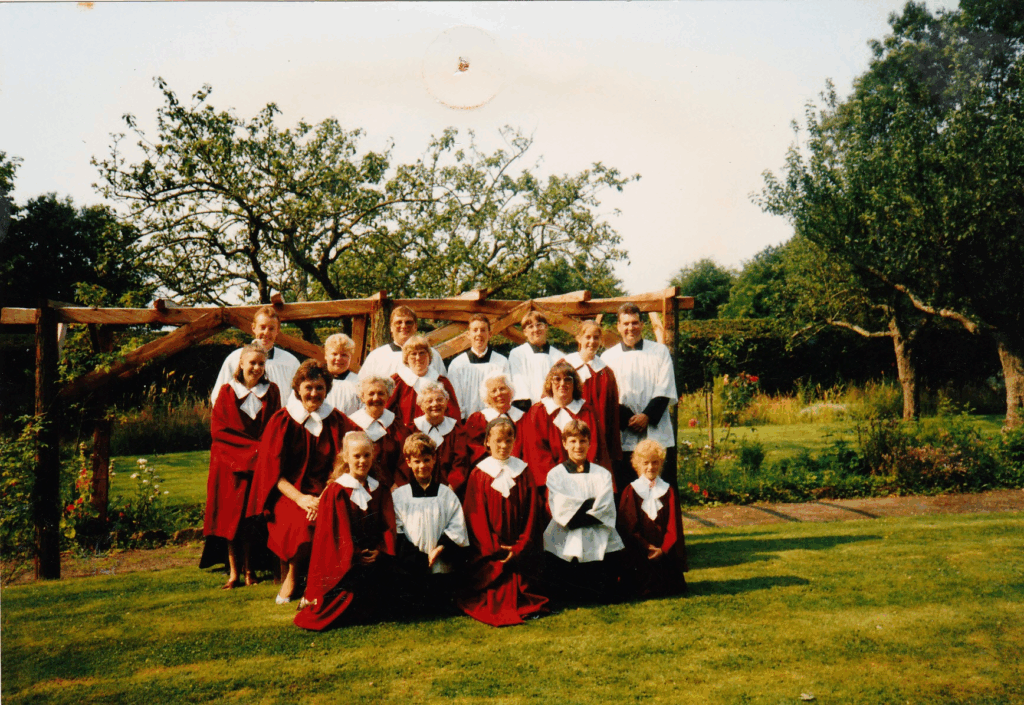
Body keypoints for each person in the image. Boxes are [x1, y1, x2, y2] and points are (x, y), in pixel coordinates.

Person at [248, 360, 348, 604]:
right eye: (309, 387)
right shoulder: (282, 420)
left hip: (327, 491)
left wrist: (324, 498)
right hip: (289, 494)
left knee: (331, 517)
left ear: (327, 389)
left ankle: (322, 583)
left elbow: (344, 463)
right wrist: (302, 499)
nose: (314, 393)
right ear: (297, 389)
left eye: (320, 388)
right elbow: (272, 474)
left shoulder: (336, 420)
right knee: (300, 523)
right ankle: (292, 576)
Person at [294, 431, 397, 631]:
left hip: (374, 557)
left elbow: (388, 525)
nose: (362, 461)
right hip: (346, 562)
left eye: (366, 455)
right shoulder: (337, 491)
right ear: (346, 458)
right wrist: (357, 555)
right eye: (356, 456)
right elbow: (336, 534)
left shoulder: (379, 489)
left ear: (373, 455)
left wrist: (380, 550)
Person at [201, 344, 282, 588]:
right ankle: (234, 573)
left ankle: (250, 571)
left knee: (250, 521)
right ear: (241, 364)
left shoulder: (272, 391)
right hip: (229, 465)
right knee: (229, 519)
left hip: (258, 466)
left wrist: (262, 454)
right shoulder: (227, 392)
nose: (256, 368)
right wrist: (252, 453)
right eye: (252, 363)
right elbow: (221, 432)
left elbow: (274, 426)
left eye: (261, 364)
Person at [459, 417, 548, 626]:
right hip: (491, 550)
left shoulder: (523, 471)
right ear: (487, 442)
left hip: (519, 548)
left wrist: (519, 547)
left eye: (508, 441)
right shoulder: (479, 473)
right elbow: (475, 517)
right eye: (498, 441)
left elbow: (532, 514)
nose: (503, 446)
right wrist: (494, 548)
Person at [542, 419, 624, 604]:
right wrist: (589, 506)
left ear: (589, 442)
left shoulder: (602, 474)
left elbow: (605, 507)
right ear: (564, 444)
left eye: (582, 441)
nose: (578, 446)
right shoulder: (556, 474)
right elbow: (562, 511)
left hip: (598, 533)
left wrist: (577, 507)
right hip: (566, 534)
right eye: (572, 441)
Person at [601, 303, 679, 492]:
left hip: (655, 428)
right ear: (618, 326)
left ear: (642, 324)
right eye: (626, 324)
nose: (631, 328)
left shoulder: (660, 352)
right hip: (624, 433)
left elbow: (665, 387)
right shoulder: (607, 357)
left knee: (660, 490)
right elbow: (608, 396)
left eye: (635, 323)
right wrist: (629, 419)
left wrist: (647, 416)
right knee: (627, 490)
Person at [391, 432, 470, 617]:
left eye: (426, 460)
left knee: (440, 606)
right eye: (417, 461)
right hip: (411, 567)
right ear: (408, 462)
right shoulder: (400, 496)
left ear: (434, 460)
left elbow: (457, 525)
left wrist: (441, 548)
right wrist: (418, 558)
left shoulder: (446, 494)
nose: (422, 466)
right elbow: (397, 530)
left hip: (440, 565)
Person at [519, 361, 611, 492]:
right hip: (551, 484)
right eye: (557, 379)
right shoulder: (538, 412)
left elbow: (594, 448)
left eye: (568, 380)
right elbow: (537, 453)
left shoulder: (586, 411)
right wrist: (560, 480)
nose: (562, 384)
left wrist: (581, 476)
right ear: (550, 383)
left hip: (584, 480)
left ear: (574, 384)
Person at [616, 439, 687, 599]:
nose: (650, 467)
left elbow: (673, 526)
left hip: (663, 552)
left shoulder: (667, 491)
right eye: (646, 463)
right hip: (640, 552)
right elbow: (628, 527)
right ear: (637, 465)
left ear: (661, 463)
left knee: (669, 586)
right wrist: (647, 547)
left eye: (655, 462)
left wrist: (662, 549)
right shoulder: (631, 491)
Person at [211, 305, 300, 406]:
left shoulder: (290, 362)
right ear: (253, 327)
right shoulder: (235, 358)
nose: (266, 332)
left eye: (271, 329)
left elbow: (298, 398)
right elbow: (218, 397)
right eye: (262, 327)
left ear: (277, 331)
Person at [563, 320, 622, 467]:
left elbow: (612, 413)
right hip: (568, 434)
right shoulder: (565, 366)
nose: (592, 341)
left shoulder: (606, 373)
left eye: (596, 337)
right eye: (587, 337)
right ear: (579, 338)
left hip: (598, 437)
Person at [403, 381, 472, 495]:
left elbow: (461, 464)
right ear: (421, 404)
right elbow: (405, 464)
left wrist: (450, 489)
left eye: (440, 400)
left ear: (446, 402)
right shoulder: (411, 429)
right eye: (429, 401)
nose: (435, 404)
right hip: (416, 490)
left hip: (449, 491)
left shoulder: (457, 431)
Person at [346, 375, 407, 489]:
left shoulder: (396, 425)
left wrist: (397, 484)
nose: (376, 398)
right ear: (362, 397)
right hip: (357, 486)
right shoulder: (351, 425)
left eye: (381, 393)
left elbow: (405, 459)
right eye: (371, 394)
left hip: (391, 488)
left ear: (388, 396)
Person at [387, 334, 461, 426]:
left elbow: (453, 416)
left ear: (429, 356)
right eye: (413, 354)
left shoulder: (442, 382)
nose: (418, 358)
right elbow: (386, 413)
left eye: (422, 353)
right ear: (406, 358)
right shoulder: (396, 381)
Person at [358, 306, 445, 381]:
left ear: (415, 327)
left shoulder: (432, 355)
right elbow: (363, 388)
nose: (404, 326)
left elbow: (443, 386)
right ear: (391, 327)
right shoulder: (377, 357)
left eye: (409, 322)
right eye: (399, 322)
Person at [446, 314, 509, 417]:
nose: (479, 334)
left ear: (490, 334)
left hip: (496, 421)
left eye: (483, 330)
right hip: (466, 422)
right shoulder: (457, 364)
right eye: (475, 330)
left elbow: (506, 395)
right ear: (468, 335)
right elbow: (455, 399)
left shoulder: (501, 362)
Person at [464, 371, 527, 466]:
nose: (499, 394)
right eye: (493, 391)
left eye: (502, 389)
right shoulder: (479, 419)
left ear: (510, 391)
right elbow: (473, 451)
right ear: (487, 397)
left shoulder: (524, 418)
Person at [507, 311, 564, 412]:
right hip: (527, 409)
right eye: (530, 326)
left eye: (539, 325)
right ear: (525, 332)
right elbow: (519, 383)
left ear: (546, 327)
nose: (536, 329)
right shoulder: (517, 353)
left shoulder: (559, 356)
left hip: (554, 408)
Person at [324, 333, 361, 416]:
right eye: (334, 354)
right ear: (326, 355)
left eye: (344, 355)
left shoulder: (359, 383)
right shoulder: (316, 380)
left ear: (350, 357)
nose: (339, 358)